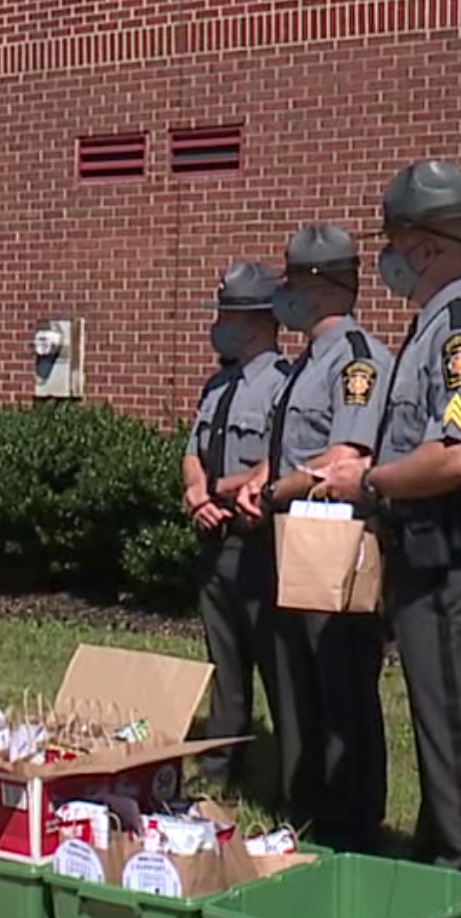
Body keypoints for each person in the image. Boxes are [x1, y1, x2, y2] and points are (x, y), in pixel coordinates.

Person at [313, 158, 461, 883]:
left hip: (456, 563)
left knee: (457, 743)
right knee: (441, 734)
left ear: (428, 243)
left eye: (396, 242)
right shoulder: (433, 330)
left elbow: (459, 456)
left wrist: (368, 480)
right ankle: (441, 870)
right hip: (430, 560)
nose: (389, 258)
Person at [232, 222, 393, 851]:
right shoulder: (307, 363)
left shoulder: (356, 360)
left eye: (293, 282)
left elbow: (344, 454)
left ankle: (352, 824)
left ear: (321, 286)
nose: (285, 298)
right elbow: (290, 448)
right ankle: (308, 810)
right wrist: (258, 480)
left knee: (342, 689)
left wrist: (280, 489)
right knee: (299, 684)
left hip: (333, 549)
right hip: (291, 543)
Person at [182, 261, 293, 791]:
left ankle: (285, 776)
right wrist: (195, 492)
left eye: (226, 313)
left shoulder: (283, 385)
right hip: (215, 543)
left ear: (253, 320)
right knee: (224, 667)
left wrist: (230, 488)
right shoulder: (217, 383)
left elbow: (282, 458)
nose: (218, 324)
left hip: (260, 544)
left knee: (276, 665)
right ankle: (220, 771)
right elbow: (193, 451)